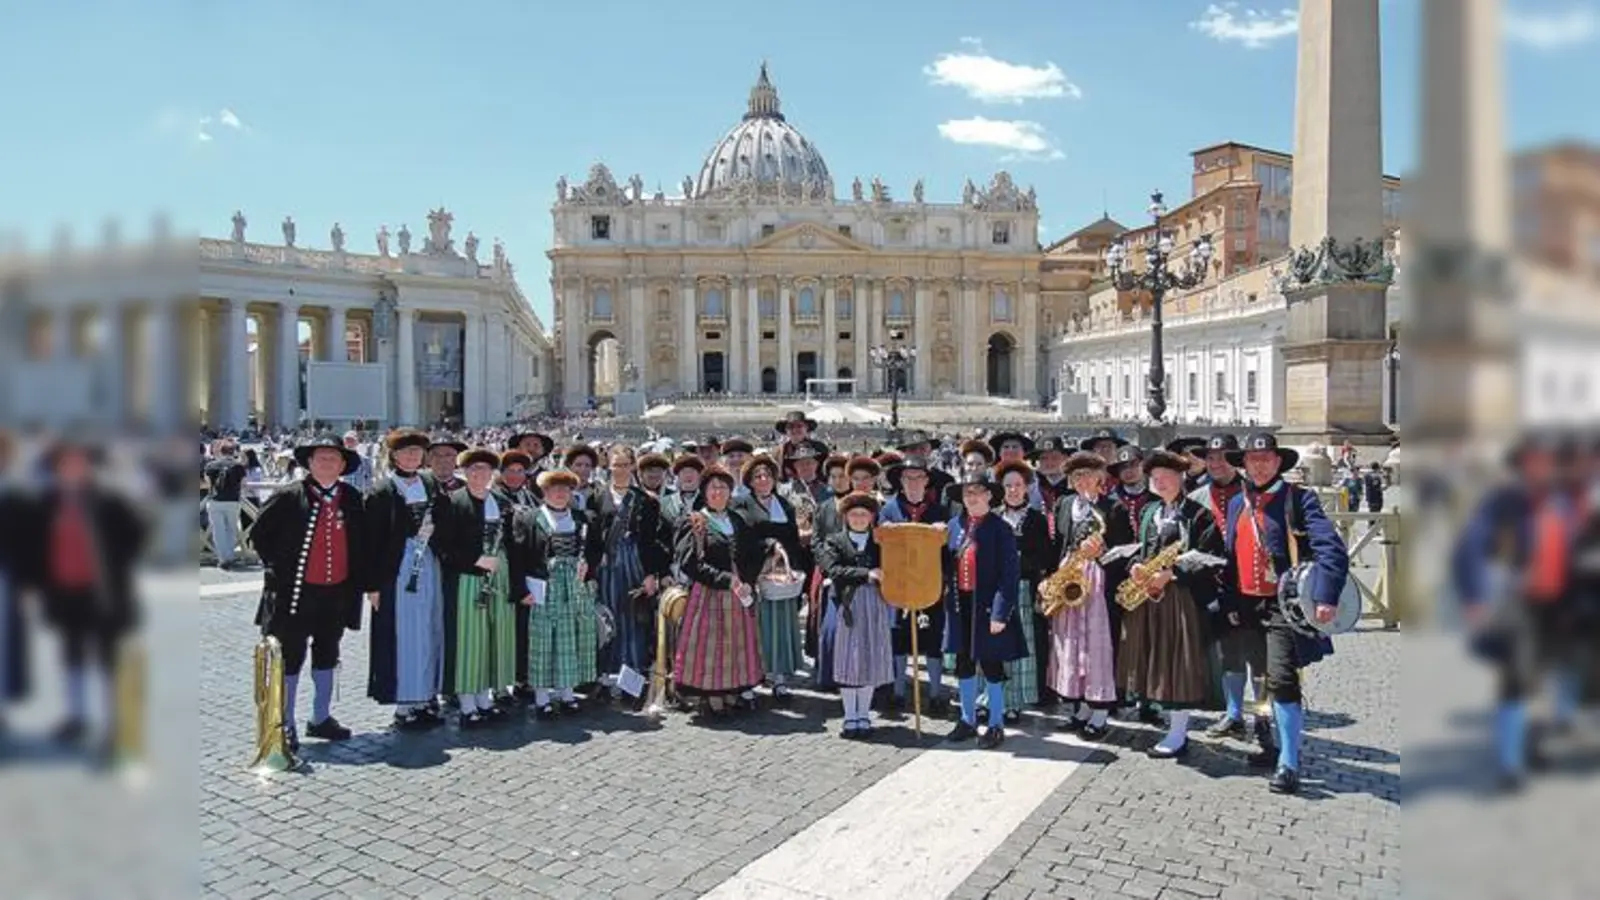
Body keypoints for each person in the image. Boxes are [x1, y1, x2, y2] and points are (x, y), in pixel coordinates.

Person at [1223, 432, 1348, 794]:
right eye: (1252, 459)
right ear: (1243, 464)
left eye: (1266, 459)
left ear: (1278, 463)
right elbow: (1232, 558)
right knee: (1259, 676)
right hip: (1247, 604)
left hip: (1282, 604)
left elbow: (1331, 549)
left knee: (1282, 679)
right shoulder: (1237, 503)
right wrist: (1231, 603)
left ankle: (1289, 762)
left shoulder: (1299, 500)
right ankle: (1267, 741)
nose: (1259, 465)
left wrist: (1326, 596)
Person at [249, 434, 368, 748]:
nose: (327, 462)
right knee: (290, 656)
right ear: (309, 463)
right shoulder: (289, 495)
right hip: (296, 594)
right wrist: (278, 571)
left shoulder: (352, 497)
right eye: (321, 457)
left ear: (343, 465)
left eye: (334, 458)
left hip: (337, 593)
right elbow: (259, 534)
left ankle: (320, 717)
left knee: (328, 652)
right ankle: (284, 722)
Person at [1118, 449, 1226, 761]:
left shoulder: (1198, 514)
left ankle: (1178, 731)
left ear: (1181, 479)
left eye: (1167, 478)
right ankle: (1164, 717)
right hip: (1149, 595)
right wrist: (1136, 567)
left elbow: (1211, 557)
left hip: (1180, 598)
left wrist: (1173, 574)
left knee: (1178, 660)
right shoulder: (1151, 511)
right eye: (1156, 478)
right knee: (1155, 657)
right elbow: (1142, 549)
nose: (1161, 483)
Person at [1045, 451, 1133, 739]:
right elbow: (1058, 543)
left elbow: (1127, 553)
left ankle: (1100, 712)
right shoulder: (1064, 504)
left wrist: (1103, 552)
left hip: (1098, 583)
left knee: (1097, 646)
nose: (1083, 481)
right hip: (1070, 578)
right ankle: (1080, 707)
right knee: (1070, 643)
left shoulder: (1114, 509)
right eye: (1077, 475)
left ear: (1101, 479)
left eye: (1089, 475)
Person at [363, 429, 445, 731]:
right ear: (394, 455)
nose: (412, 457)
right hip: (397, 570)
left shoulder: (430, 484)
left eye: (417, 452)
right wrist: (372, 584)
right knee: (404, 634)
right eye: (406, 452)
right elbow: (370, 541)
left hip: (429, 566)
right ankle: (404, 703)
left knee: (429, 630)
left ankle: (425, 696)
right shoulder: (382, 490)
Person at [431, 448, 516, 729]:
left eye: (485, 469)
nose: (479, 474)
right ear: (465, 472)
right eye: (473, 469)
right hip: (466, 578)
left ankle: (485, 699)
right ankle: (467, 705)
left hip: (498, 576)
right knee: (469, 640)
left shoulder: (501, 502)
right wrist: (473, 560)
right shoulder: (452, 502)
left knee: (493, 636)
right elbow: (442, 545)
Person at [673, 466, 764, 718]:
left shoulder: (738, 520)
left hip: (737, 594)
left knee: (735, 644)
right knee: (711, 645)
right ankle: (713, 697)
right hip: (709, 593)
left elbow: (752, 554)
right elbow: (691, 563)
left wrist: (748, 579)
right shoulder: (695, 522)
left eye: (723, 487)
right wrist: (725, 579)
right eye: (713, 487)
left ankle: (731, 691)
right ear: (705, 491)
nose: (718, 492)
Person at [944, 472, 1027, 749]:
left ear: (989, 495)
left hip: (988, 606)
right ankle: (967, 719)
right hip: (960, 605)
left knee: (992, 665)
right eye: (968, 492)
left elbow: (1009, 575)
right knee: (964, 664)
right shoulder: (955, 525)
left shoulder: (1000, 528)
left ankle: (995, 723)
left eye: (978, 491)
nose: (972, 497)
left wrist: (1000, 614)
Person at [509, 469, 601, 719]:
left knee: (571, 638)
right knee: (542, 640)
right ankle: (541, 698)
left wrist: (589, 567)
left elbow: (596, 551)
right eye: (554, 489)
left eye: (565, 489)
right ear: (544, 492)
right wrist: (521, 590)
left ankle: (567, 693)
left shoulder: (584, 518)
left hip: (575, 587)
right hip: (543, 586)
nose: (560, 494)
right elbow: (517, 557)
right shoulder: (529, 519)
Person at [589, 445, 669, 705]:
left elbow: (652, 541)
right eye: (616, 464)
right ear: (607, 466)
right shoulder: (597, 496)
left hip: (635, 564)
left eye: (625, 464)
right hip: (607, 567)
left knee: (635, 622)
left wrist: (651, 574)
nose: (621, 469)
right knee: (608, 622)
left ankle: (631, 682)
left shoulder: (645, 500)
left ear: (633, 466)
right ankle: (605, 678)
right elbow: (592, 536)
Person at [816, 491, 894, 738]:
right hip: (847, 606)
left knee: (870, 657)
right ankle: (850, 715)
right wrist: (865, 574)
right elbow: (833, 569)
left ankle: (864, 714)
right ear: (846, 516)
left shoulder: (880, 542)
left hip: (875, 605)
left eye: (864, 514)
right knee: (849, 660)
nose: (859, 519)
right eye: (854, 514)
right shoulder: (835, 541)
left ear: (871, 517)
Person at [734, 454, 803, 705]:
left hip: (779, 576)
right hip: (754, 571)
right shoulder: (741, 504)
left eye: (767, 475)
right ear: (750, 481)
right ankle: (751, 676)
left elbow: (793, 539)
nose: (763, 480)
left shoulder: (785, 506)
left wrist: (789, 562)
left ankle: (779, 676)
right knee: (754, 626)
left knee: (781, 626)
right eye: (757, 476)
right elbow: (742, 538)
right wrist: (768, 546)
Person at [995, 459, 1051, 723]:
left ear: (1027, 488)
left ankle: (1016, 699)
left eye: (1018, 485)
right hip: (997, 590)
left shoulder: (1037, 519)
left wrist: (1017, 559)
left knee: (1022, 645)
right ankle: (995, 697)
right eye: (1008, 485)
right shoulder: (993, 517)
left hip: (1024, 589)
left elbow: (1043, 556)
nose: (1013, 490)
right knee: (997, 644)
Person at [203, 439, 247, 569]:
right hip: (233, 500)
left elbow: (208, 484)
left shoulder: (211, 466)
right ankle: (230, 555)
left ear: (220, 451)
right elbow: (244, 484)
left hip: (215, 500)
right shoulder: (238, 466)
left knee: (218, 531)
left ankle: (223, 558)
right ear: (233, 451)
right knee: (231, 528)